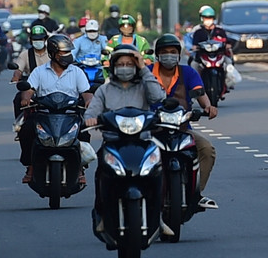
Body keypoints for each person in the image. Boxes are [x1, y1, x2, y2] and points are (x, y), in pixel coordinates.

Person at [83, 45, 168, 226]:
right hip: (113, 143)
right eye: (120, 64)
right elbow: (91, 113)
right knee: (101, 174)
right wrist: (90, 120)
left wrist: (144, 68)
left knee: (158, 175)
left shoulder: (144, 86)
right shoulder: (104, 90)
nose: (125, 67)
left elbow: (158, 97)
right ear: (113, 66)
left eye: (130, 64)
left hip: (143, 142)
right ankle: (102, 216)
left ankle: (158, 217)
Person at [151, 34, 220, 207]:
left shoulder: (188, 72)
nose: (169, 55)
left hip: (181, 130)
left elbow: (200, 94)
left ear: (179, 54)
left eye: (173, 52)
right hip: (150, 131)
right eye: (165, 52)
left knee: (206, 149)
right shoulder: (147, 73)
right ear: (157, 54)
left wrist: (208, 107)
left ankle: (195, 193)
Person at [19, 35, 92, 184]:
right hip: (44, 115)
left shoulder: (77, 72)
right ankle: (31, 166)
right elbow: (29, 89)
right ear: (52, 54)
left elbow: (86, 92)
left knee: (84, 133)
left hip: (70, 115)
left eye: (68, 52)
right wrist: (26, 98)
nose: (67, 56)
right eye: (63, 53)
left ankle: (80, 168)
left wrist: (89, 101)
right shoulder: (39, 72)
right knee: (26, 131)